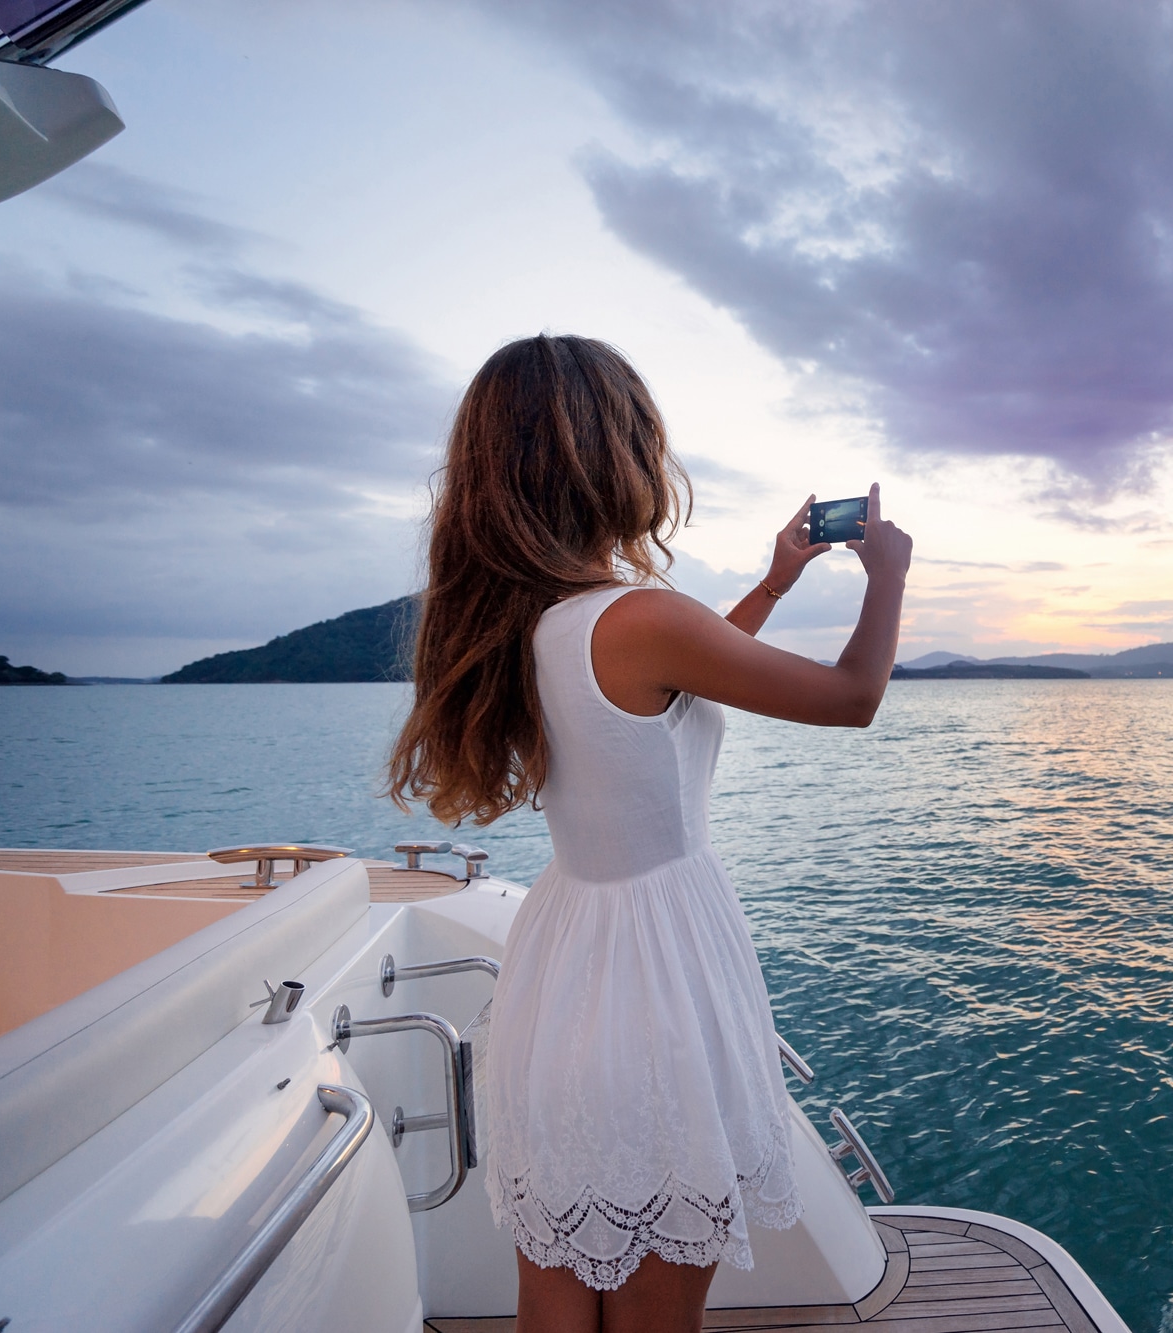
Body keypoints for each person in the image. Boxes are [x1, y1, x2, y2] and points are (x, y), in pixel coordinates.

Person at [389, 334, 913, 1333]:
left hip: (567, 973)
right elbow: (851, 698)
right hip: (655, 984)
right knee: (654, 1311)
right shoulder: (638, 618)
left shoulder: (523, 621)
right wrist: (884, 572)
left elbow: (651, 693)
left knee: (553, 1286)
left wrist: (770, 587)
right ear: (613, 456)